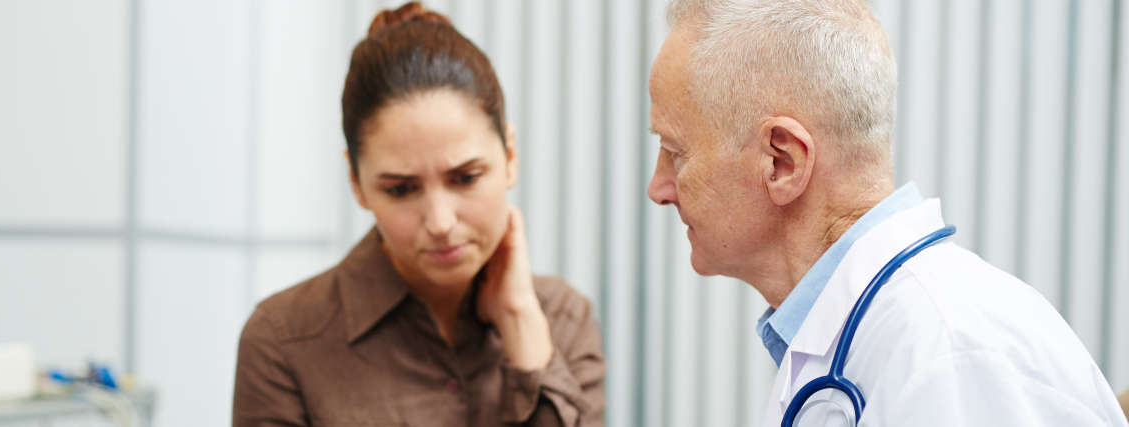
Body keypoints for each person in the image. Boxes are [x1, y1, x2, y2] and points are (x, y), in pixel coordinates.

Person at [647, 0, 1128, 426]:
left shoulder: (949, 352)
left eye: (674, 151)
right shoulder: (855, 340)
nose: (658, 189)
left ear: (782, 162)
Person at [232, 3, 605, 426]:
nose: (441, 223)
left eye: (465, 178)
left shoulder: (563, 320)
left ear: (510, 156)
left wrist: (521, 323)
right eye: (401, 189)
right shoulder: (284, 341)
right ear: (356, 182)